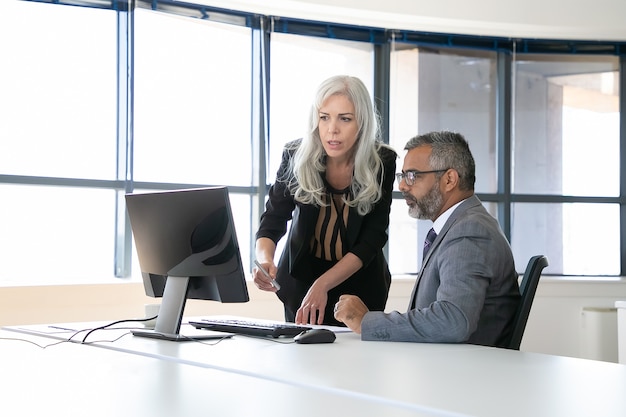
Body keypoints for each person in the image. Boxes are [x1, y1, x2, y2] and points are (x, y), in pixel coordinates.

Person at [333, 130, 521, 348]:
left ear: (449, 179)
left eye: (412, 175)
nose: (402, 185)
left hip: (462, 374)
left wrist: (368, 322)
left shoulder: (469, 231)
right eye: (402, 176)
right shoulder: (458, 226)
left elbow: (453, 320)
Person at [253, 75, 397, 326]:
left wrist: (323, 285)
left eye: (345, 118)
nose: (332, 129)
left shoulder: (381, 162)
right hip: (301, 282)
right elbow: (273, 220)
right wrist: (265, 259)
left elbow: (372, 239)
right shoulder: (295, 155)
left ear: (361, 122)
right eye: (324, 117)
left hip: (359, 287)